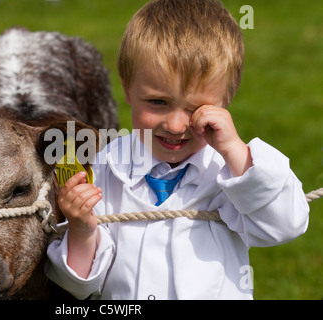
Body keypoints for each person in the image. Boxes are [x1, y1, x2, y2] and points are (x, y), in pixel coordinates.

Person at [45, 0, 309, 299]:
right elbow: (79, 287)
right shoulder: (101, 170)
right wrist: (81, 231)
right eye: (158, 102)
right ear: (128, 88)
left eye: (196, 108)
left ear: (227, 98)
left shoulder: (232, 170)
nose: (174, 124)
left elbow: (285, 225)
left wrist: (236, 150)